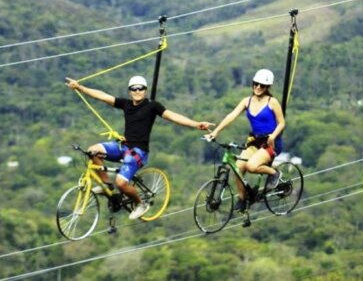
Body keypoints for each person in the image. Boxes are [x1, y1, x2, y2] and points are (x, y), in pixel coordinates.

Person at [66, 75, 213, 219]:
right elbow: (102, 96)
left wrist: (196, 124)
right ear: (130, 91)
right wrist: (80, 87)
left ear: (145, 90)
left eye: (140, 88)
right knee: (93, 151)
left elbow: (173, 116)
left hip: (138, 152)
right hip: (123, 147)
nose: (137, 91)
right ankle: (107, 185)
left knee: (121, 183)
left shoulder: (152, 106)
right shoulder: (126, 104)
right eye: (134, 89)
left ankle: (141, 204)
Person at [204, 69, 286, 212]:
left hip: (271, 143)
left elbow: (281, 123)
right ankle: (243, 199)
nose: (258, 87)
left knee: (252, 167)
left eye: (262, 85)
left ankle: (274, 173)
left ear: (268, 87)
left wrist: (273, 136)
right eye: (256, 84)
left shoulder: (272, 102)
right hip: (255, 141)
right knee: (238, 167)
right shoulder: (246, 101)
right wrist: (215, 133)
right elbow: (231, 116)